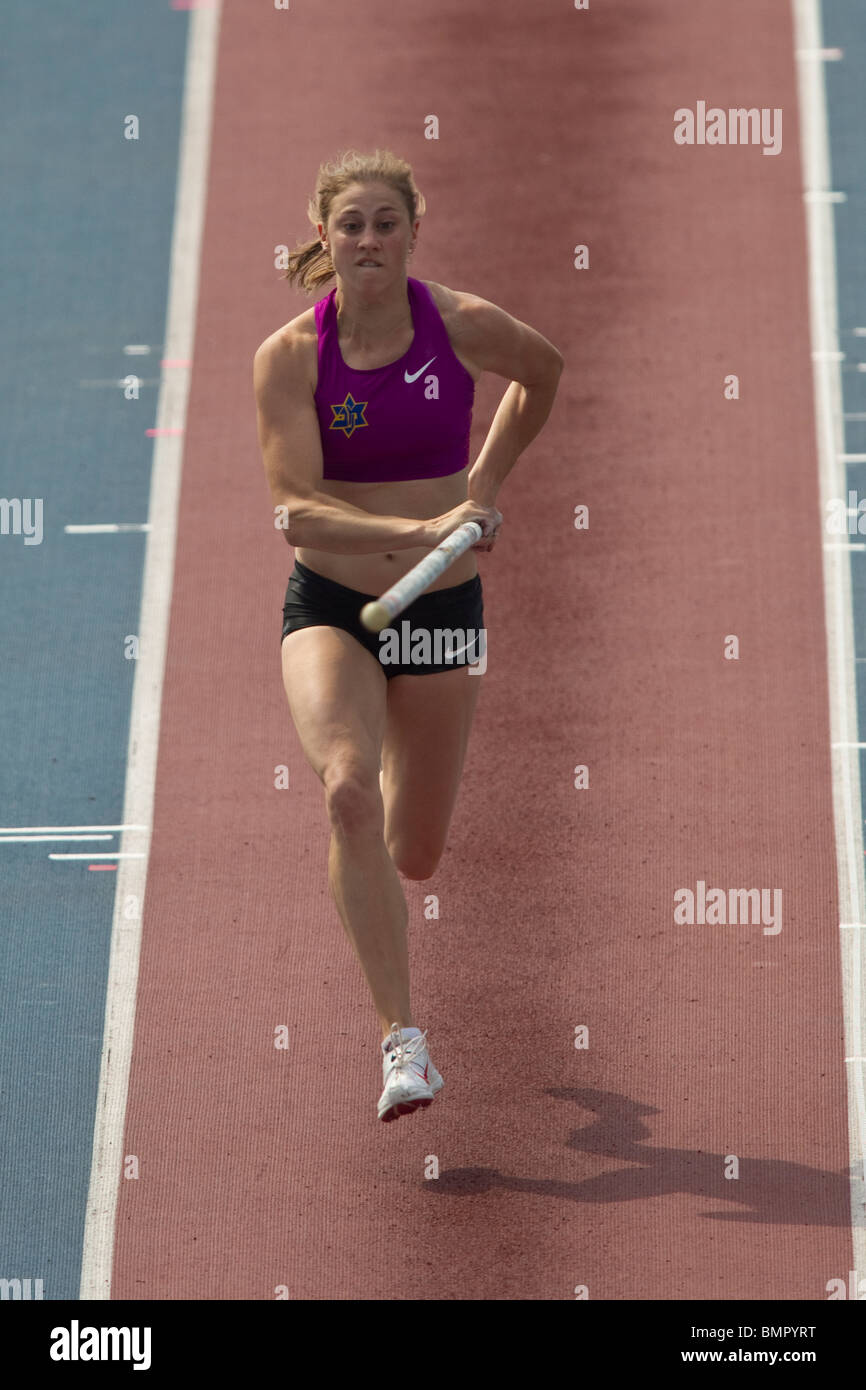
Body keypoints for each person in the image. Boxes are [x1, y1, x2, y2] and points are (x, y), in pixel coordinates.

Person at [254, 149, 563, 1121]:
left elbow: (543, 372)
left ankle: (383, 806)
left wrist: (484, 485)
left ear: (413, 233)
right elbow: (297, 511)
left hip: (439, 616)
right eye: (350, 224)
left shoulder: (458, 325)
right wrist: (424, 529)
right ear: (323, 234)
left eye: (386, 223)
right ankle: (404, 1042)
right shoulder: (290, 357)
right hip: (332, 608)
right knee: (347, 790)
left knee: (415, 851)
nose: (368, 240)